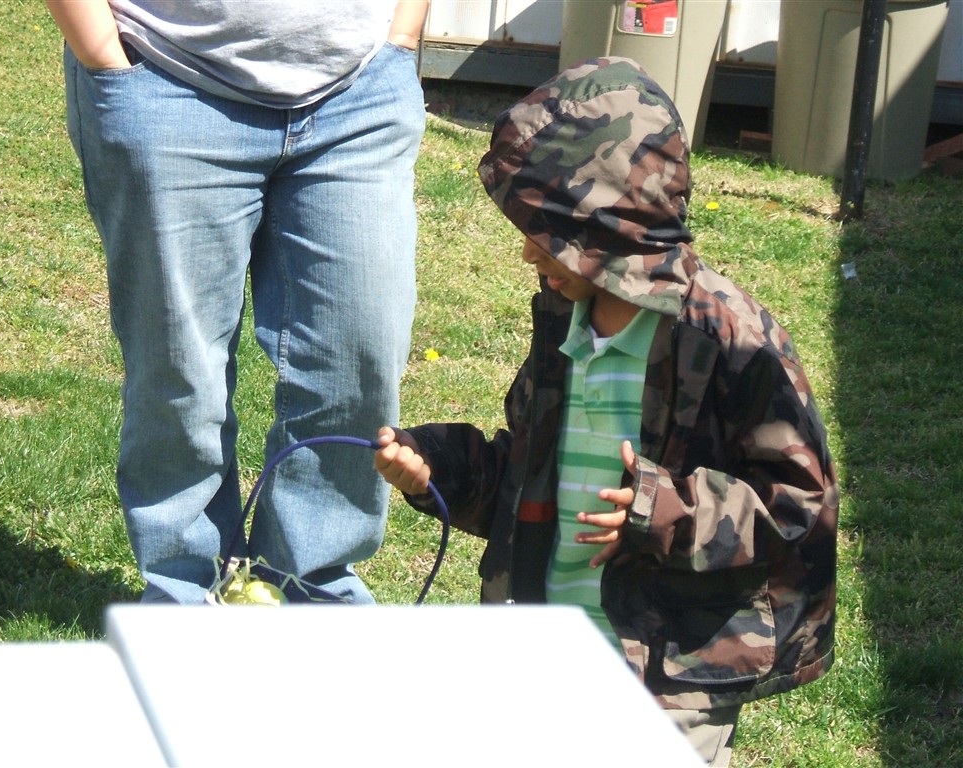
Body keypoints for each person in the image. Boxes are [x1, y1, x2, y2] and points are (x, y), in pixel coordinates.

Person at [375, 57, 838, 766]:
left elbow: (799, 505)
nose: (528, 254)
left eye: (548, 235)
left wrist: (667, 511)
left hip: (673, 669)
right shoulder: (565, 319)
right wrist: (437, 469)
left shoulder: (727, 337)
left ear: (611, 229)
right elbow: (528, 477)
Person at [46, 0, 430, 604]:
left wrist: (402, 35)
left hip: (359, 92)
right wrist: (103, 54)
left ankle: (311, 590)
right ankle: (189, 592)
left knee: (358, 357)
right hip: (168, 78)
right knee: (179, 373)